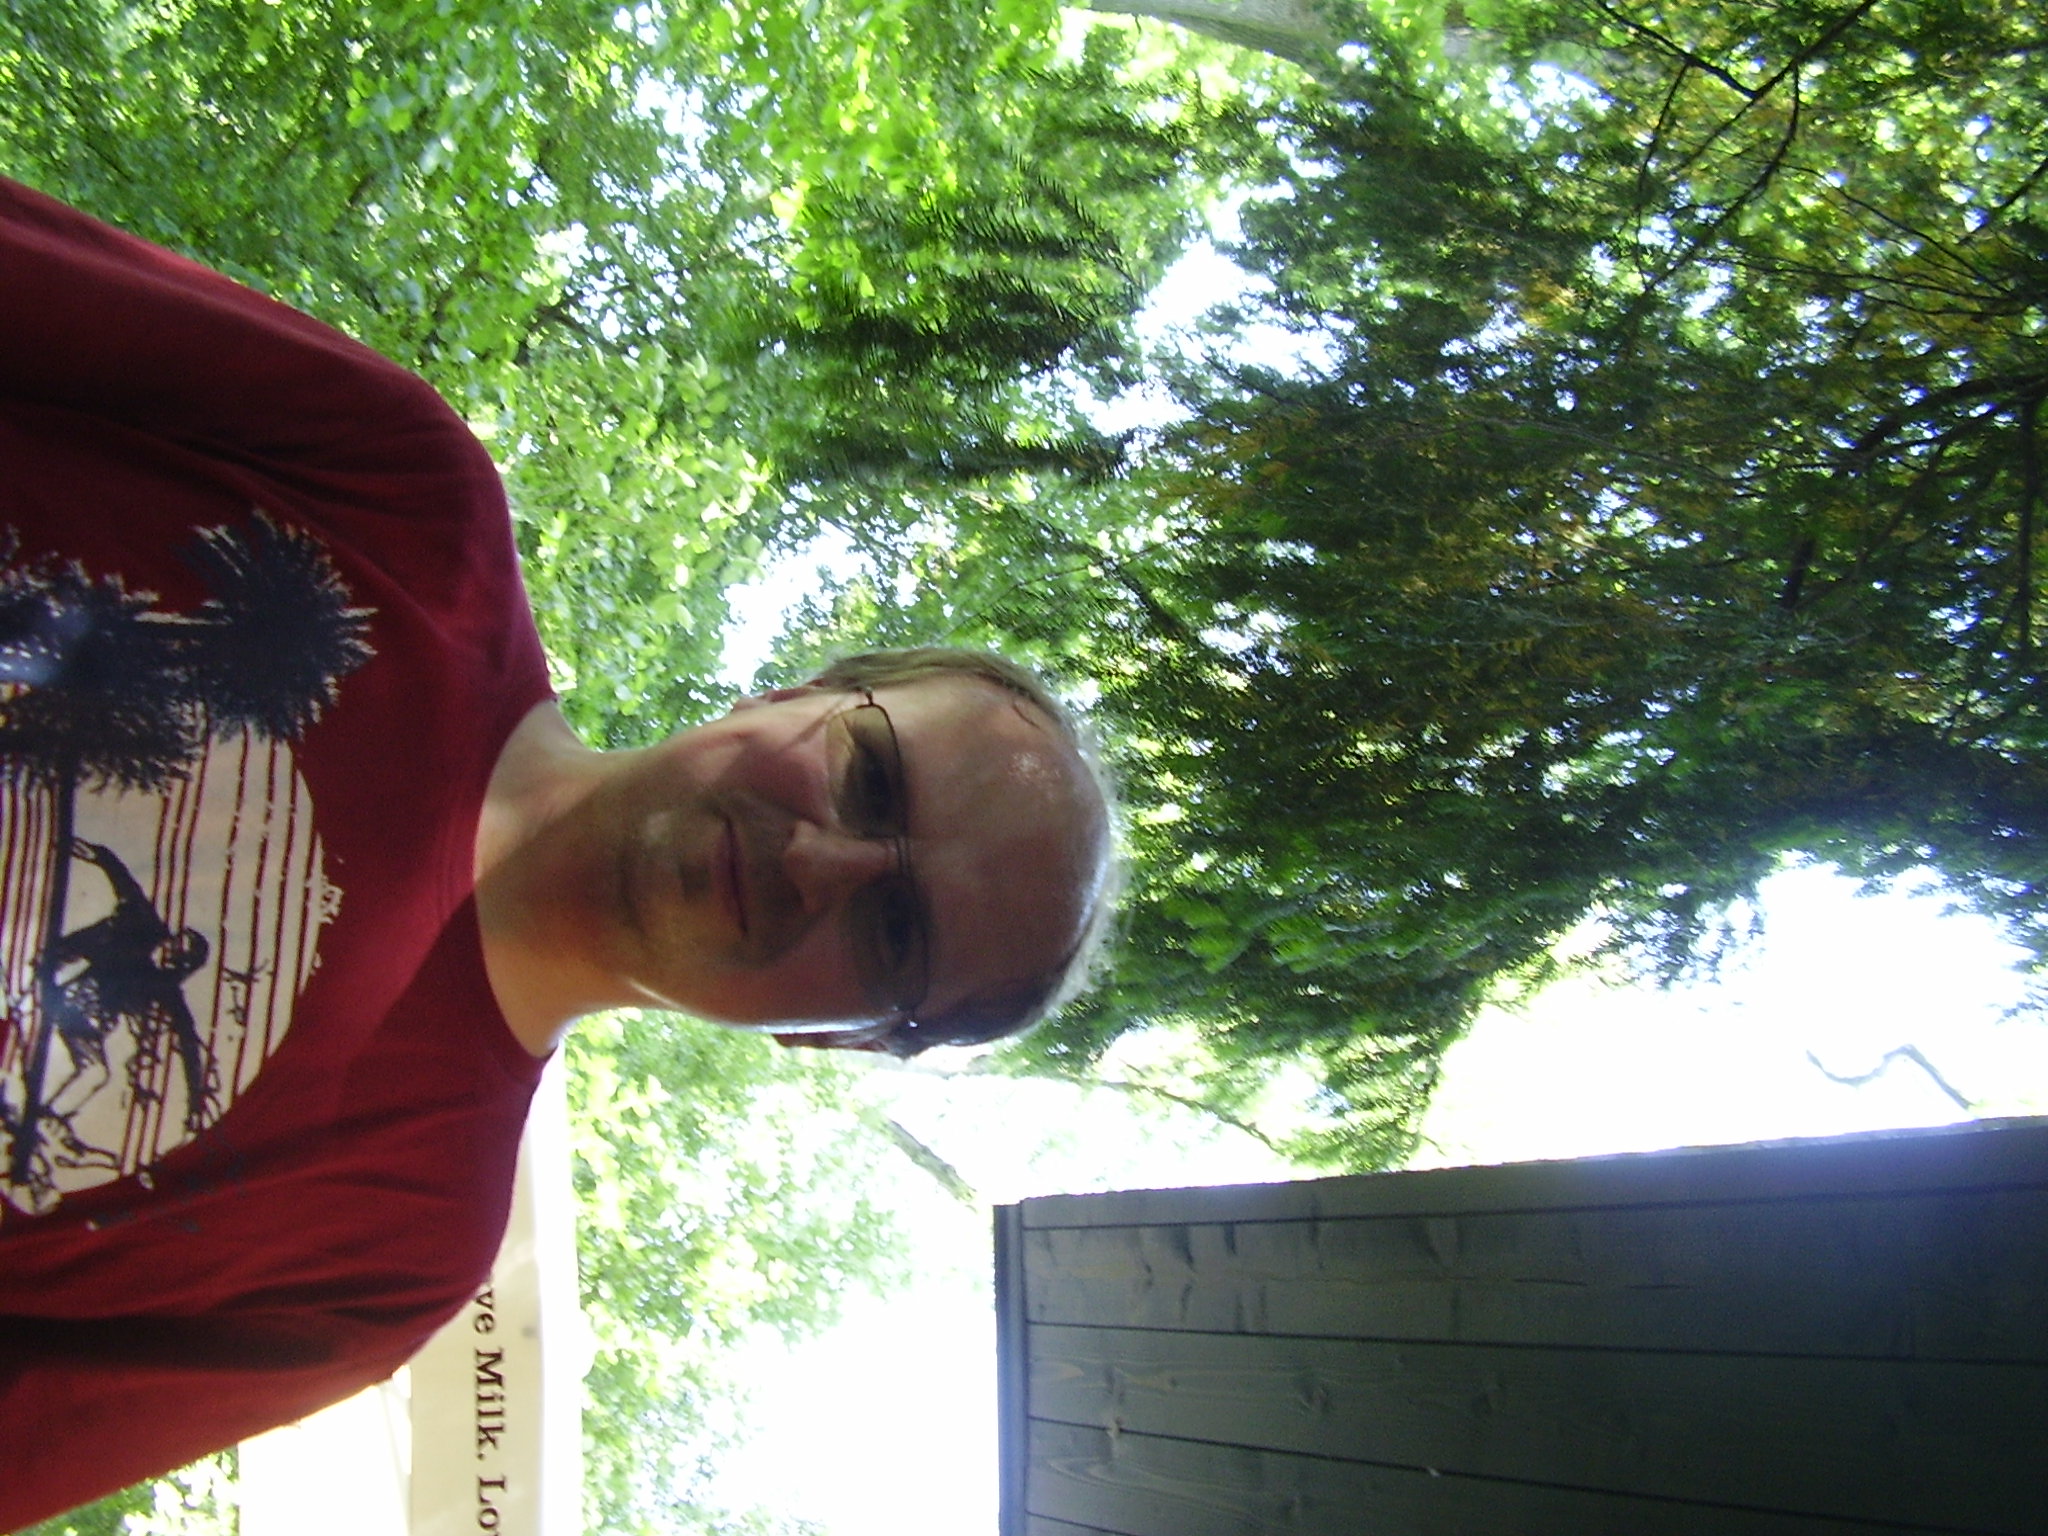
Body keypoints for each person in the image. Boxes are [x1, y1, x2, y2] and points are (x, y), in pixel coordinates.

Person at [0, 176, 1112, 1526]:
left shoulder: (385, 1260)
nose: (825, 864)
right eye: (870, 776)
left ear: (838, 1037)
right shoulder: (405, 500)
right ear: (802, 690)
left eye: (896, 936)